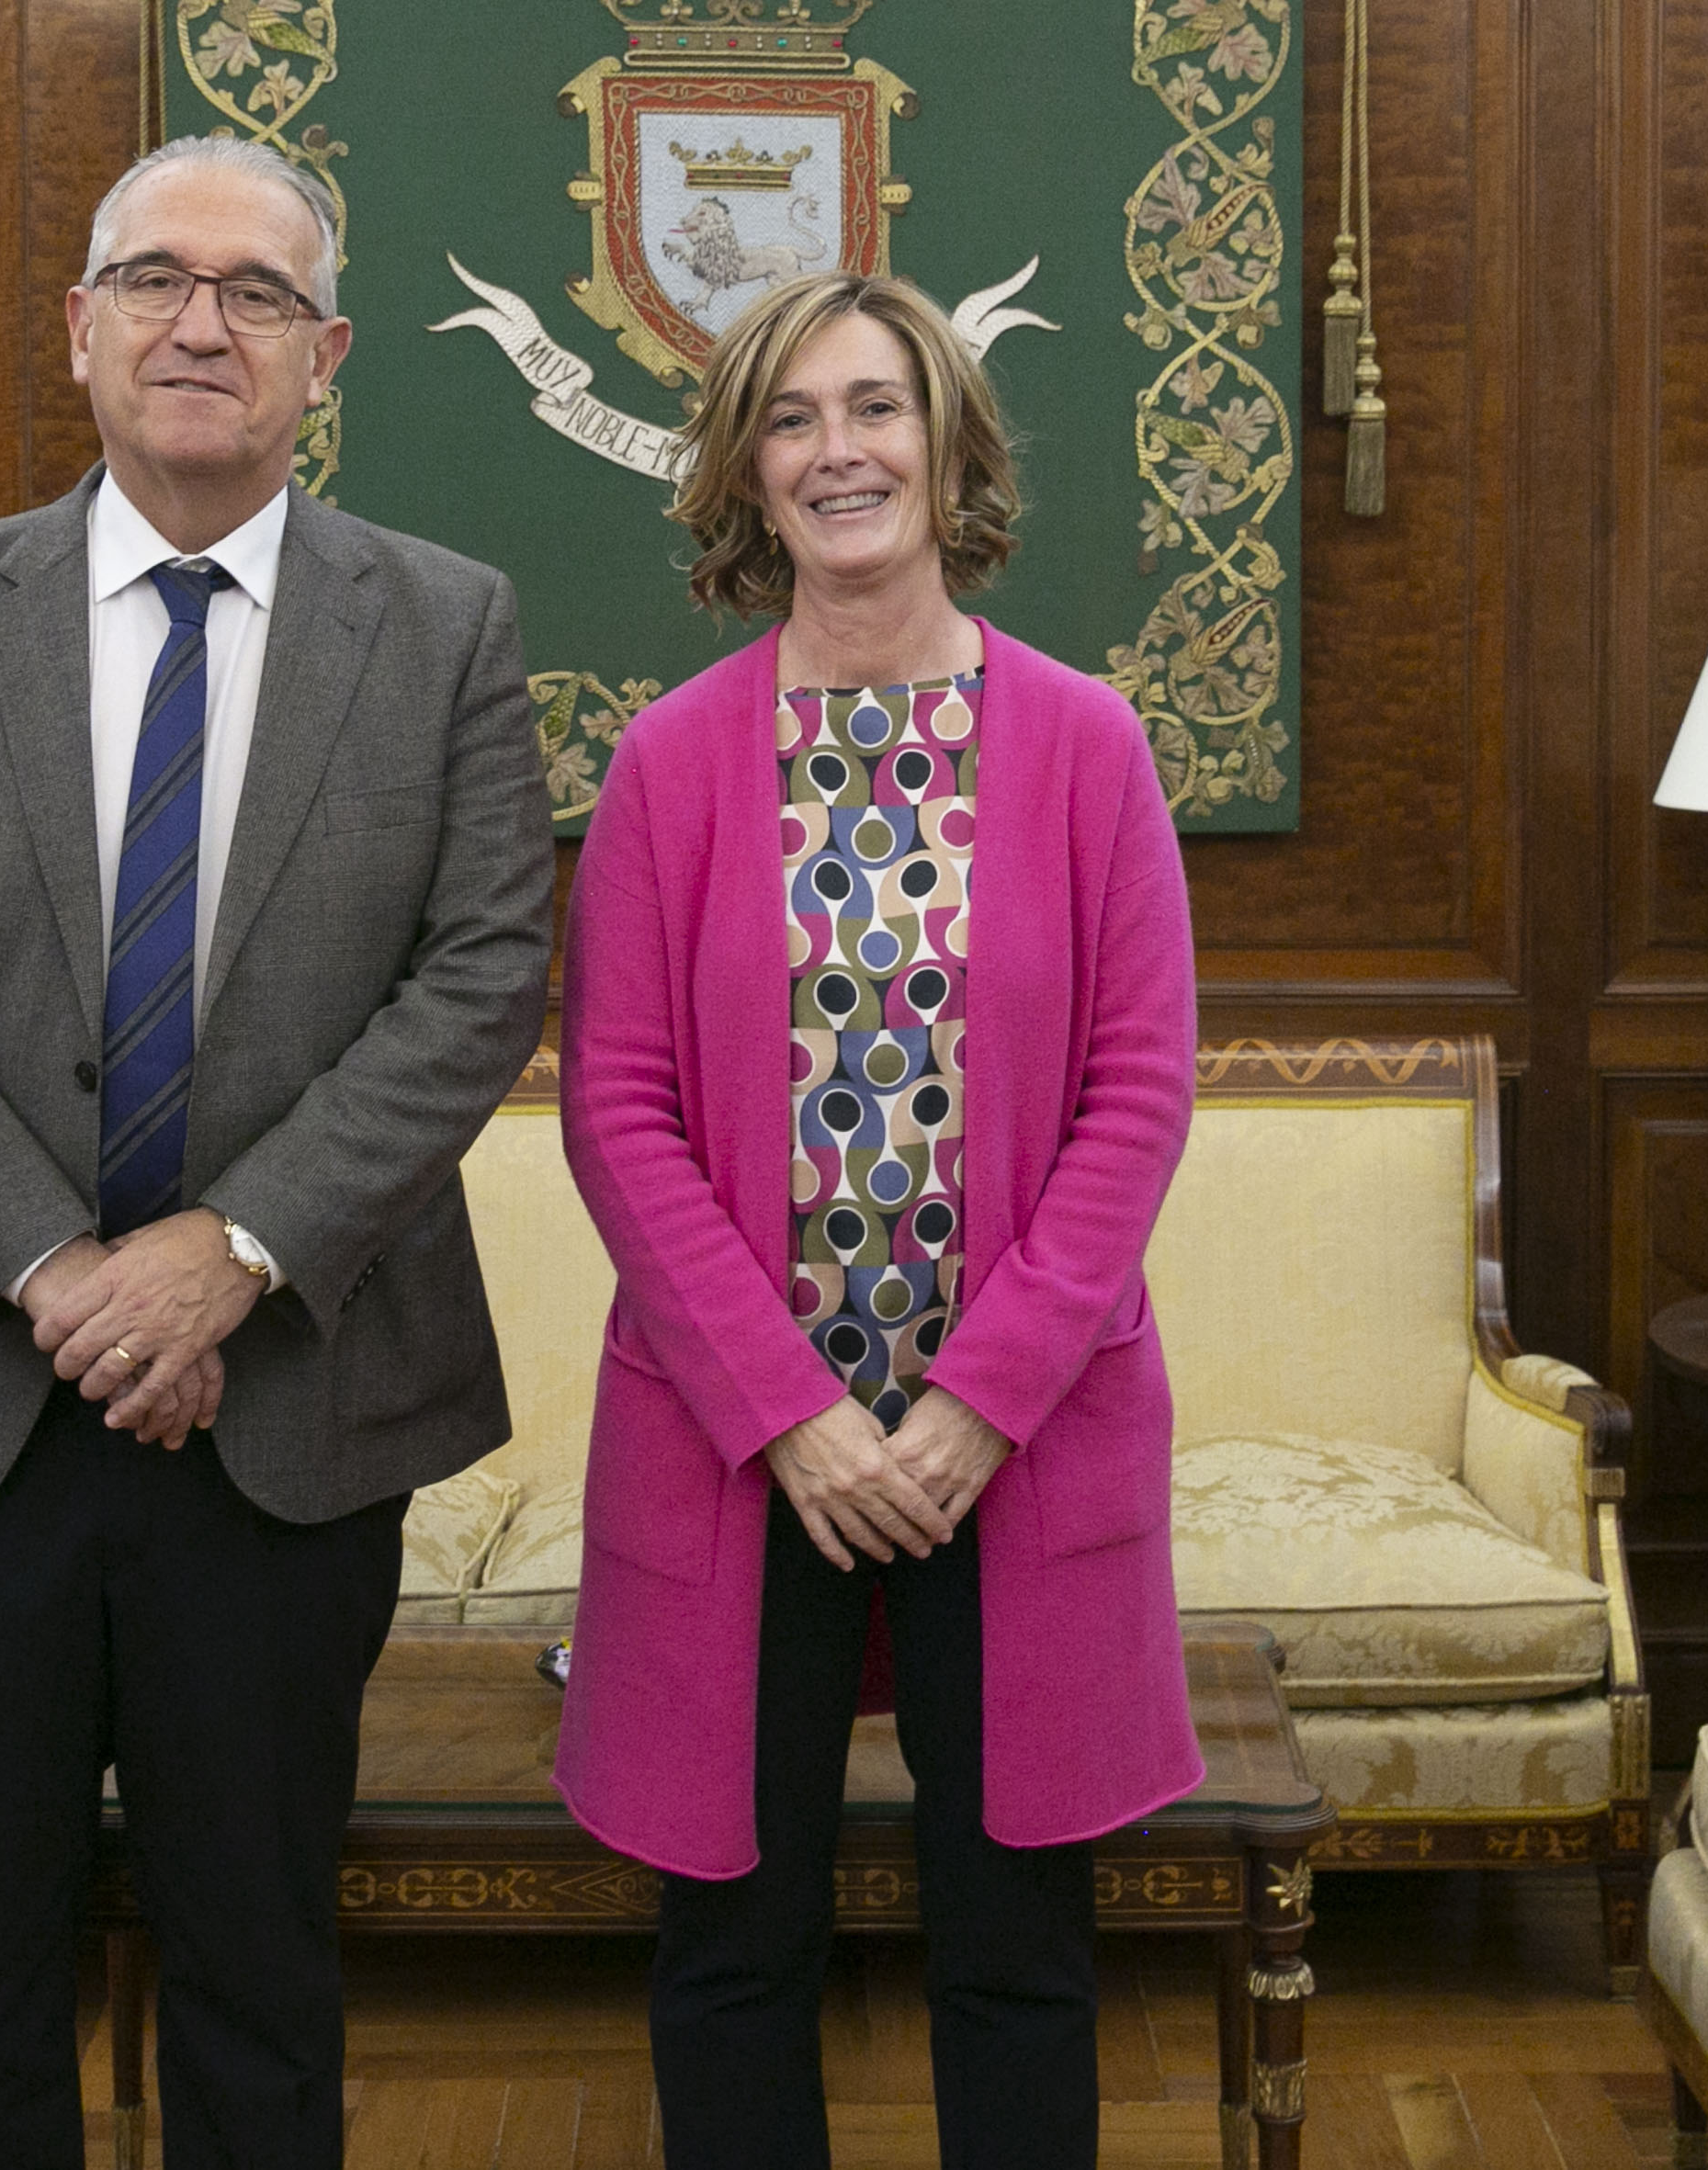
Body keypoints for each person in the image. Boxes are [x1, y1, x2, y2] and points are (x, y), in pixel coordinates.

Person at [0, 134, 553, 2170]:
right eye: (156, 279)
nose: (201, 321)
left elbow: (477, 979)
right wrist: (63, 1272)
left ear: (326, 355)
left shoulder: (446, 627)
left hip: (286, 1416)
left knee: (259, 1966)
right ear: (81, 327)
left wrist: (235, 1250)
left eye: (257, 293)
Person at [551, 271, 1204, 2170]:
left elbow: (1133, 1099)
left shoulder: (1087, 743)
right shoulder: (668, 761)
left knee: (1014, 1947)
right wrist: (796, 1412)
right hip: (740, 1446)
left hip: (1016, 1442)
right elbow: (617, 1112)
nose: (837, 450)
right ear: (745, 475)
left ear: (945, 447)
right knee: (728, 1943)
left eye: (875, 407)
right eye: (789, 417)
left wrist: (977, 1398)